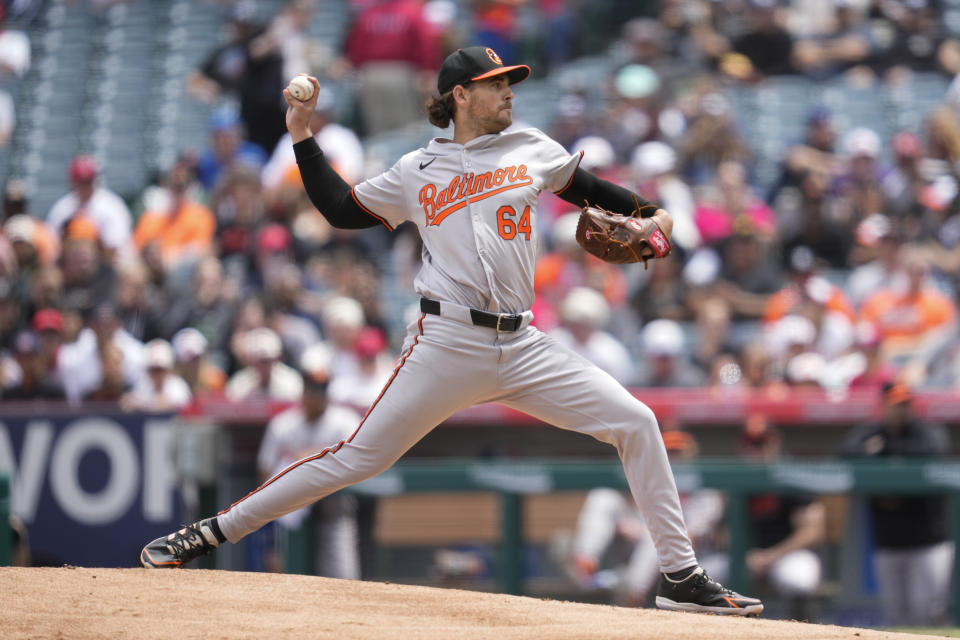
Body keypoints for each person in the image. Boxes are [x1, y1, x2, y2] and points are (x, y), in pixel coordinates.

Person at [139, 46, 763, 617]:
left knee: (637, 422)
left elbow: (616, 199)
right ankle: (213, 531)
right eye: (496, 85)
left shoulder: (532, 149)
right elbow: (340, 208)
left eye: (511, 83)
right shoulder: (419, 168)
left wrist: (658, 220)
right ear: (461, 95)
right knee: (355, 458)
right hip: (447, 342)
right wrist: (302, 136)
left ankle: (680, 577)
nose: (510, 93)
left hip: (523, 346)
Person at [839, 382, 953, 627]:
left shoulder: (925, 433)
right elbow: (846, 452)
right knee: (897, 615)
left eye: (905, 404)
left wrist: (882, 452)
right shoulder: (872, 432)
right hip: (889, 541)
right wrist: (877, 452)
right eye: (895, 404)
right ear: (884, 406)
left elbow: (930, 450)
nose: (901, 409)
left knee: (929, 610)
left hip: (928, 541)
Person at [256, 364, 363, 578]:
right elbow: (264, 472)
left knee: (343, 576)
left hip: (332, 509)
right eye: (313, 391)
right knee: (284, 573)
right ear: (304, 393)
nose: (318, 397)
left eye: (322, 391)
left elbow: (354, 460)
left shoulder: (344, 419)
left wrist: (307, 456)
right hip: (290, 510)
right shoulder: (283, 425)